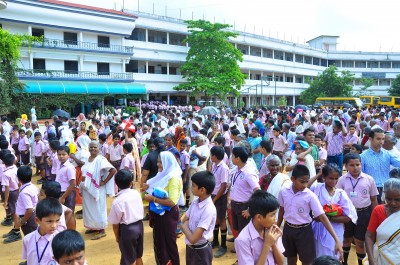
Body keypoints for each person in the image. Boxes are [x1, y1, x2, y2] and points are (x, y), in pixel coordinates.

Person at [277, 164, 343, 265]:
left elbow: (323, 217)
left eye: (306, 181)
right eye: (302, 181)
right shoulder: (283, 192)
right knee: (290, 259)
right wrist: (277, 226)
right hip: (288, 229)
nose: (304, 185)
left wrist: (336, 239)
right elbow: (281, 210)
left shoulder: (310, 196)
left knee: (307, 261)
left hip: (304, 231)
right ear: (293, 179)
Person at [308, 164, 357, 260]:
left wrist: (326, 218)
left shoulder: (340, 194)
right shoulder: (317, 188)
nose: (333, 181)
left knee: (333, 256)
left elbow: (347, 217)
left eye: (336, 179)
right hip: (318, 229)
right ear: (324, 177)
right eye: (330, 178)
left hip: (336, 230)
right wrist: (318, 174)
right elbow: (305, 187)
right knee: (318, 257)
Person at [337, 153, 378, 265]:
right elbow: (337, 199)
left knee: (360, 241)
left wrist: (375, 216)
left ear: (361, 164)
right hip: (347, 214)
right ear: (345, 166)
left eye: (357, 164)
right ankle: (344, 262)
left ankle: (360, 263)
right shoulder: (341, 180)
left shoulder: (369, 179)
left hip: (364, 213)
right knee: (347, 239)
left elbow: (374, 199)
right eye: (351, 165)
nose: (355, 168)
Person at [142, 151, 182, 265]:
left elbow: (172, 201)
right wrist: (149, 187)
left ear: (167, 163)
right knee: (160, 242)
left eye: (161, 162)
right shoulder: (163, 175)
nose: (158, 164)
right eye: (158, 161)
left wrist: (153, 199)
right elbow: (158, 188)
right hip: (160, 213)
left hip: (167, 215)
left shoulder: (173, 178)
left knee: (168, 244)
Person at [235, 190, 284, 265]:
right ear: (259, 217)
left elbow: (281, 262)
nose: (275, 218)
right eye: (272, 215)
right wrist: (267, 244)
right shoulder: (243, 240)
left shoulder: (272, 231)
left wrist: (273, 243)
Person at [80, 140, 116, 240]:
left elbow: (113, 170)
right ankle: (94, 227)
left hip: (97, 188)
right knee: (90, 209)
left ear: (98, 148)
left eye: (95, 147)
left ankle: (101, 230)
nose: (93, 149)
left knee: (99, 208)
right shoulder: (88, 159)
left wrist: (104, 181)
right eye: (91, 147)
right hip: (87, 188)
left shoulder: (100, 159)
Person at [108, 169, 144, 265]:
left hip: (127, 230)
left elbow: (115, 224)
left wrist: (117, 237)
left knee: (127, 259)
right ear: (131, 183)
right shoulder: (136, 194)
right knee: (138, 255)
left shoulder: (117, 202)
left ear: (116, 184)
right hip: (140, 226)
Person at [181, 171, 216, 265]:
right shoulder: (195, 201)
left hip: (201, 251)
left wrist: (184, 227)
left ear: (202, 190)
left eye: (193, 186)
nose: (191, 188)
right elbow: (184, 220)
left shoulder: (208, 209)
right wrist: (184, 224)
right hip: (190, 248)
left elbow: (193, 239)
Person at [365, 178, 400, 265]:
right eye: (389, 199)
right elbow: (369, 236)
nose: (393, 203)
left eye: (397, 200)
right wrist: (371, 259)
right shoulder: (378, 210)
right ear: (384, 196)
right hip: (380, 258)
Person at [361, 127, 400, 203]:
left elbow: (398, 162)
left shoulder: (387, 154)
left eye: (383, 139)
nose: (381, 142)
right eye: (378, 139)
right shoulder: (363, 156)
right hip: (371, 191)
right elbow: (361, 175)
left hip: (386, 190)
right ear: (370, 139)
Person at [21, 198, 62, 265]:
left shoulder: (61, 241)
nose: (54, 226)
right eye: (49, 221)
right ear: (37, 220)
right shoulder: (27, 239)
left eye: (57, 220)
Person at [209, 146, 229, 257]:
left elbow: (224, 185)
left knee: (221, 219)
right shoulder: (214, 165)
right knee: (215, 218)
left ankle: (223, 245)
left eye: (211, 155)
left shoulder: (223, 168)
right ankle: (215, 241)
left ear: (215, 156)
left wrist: (215, 199)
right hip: (214, 195)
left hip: (220, 197)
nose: (210, 157)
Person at [15, 166, 39, 236]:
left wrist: (22, 221)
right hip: (32, 215)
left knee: (30, 237)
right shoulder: (33, 186)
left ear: (18, 178)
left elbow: (29, 210)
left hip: (28, 218)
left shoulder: (24, 192)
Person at [1, 153, 20, 243]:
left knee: (14, 213)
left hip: (11, 194)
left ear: (3, 162)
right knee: (15, 211)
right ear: (14, 161)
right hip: (16, 191)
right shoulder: (16, 169)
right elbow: (19, 182)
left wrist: (5, 201)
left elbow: (7, 188)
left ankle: (17, 232)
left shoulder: (6, 173)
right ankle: (15, 229)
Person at [56, 145, 76, 212]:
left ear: (68, 155)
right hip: (60, 192)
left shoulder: (69, 167)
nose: (61, 156)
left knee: (68, 213)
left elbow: (73, 184)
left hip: (67, 193)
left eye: (64, 154)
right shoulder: (59, 165)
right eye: (59, 154)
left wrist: (63, 197)